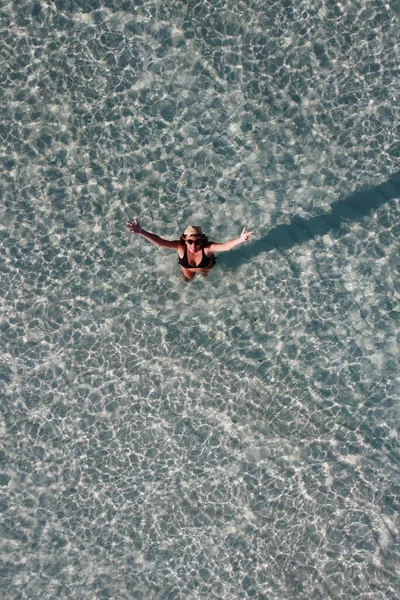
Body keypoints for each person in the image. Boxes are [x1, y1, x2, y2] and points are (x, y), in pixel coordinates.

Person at [126, 219, 254, 280]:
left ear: (202, 240)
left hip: (206, 268)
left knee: (206, 279)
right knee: (187, 281)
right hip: (187, 268)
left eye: (197, 241)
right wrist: (141, 232)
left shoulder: (207, 248)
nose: (193, 245)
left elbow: (225, 247)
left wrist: (240, 239)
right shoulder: (180, 247)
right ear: (185, 241)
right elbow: (160, 243)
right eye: (190, 241)